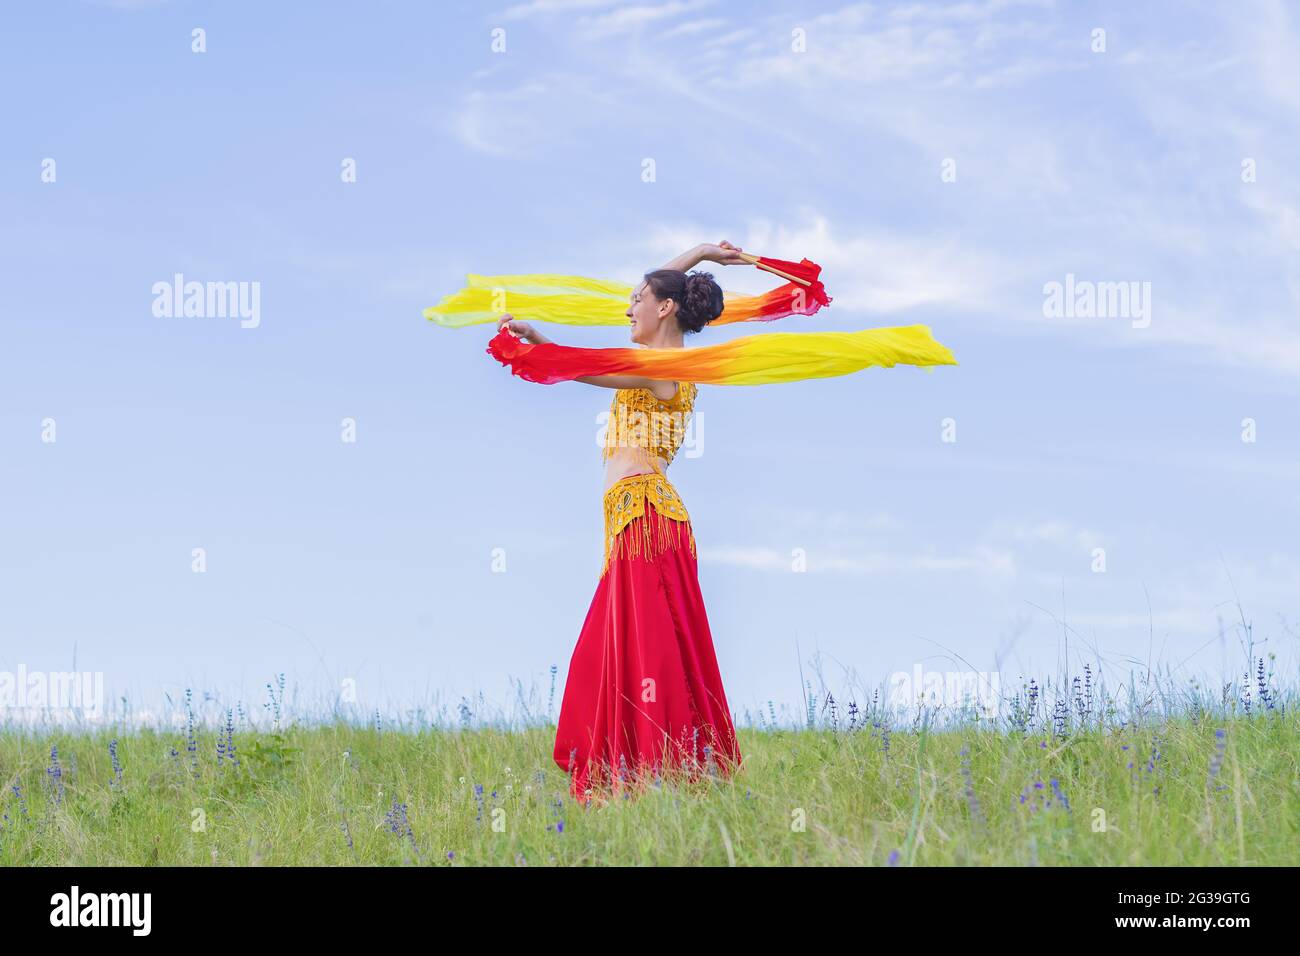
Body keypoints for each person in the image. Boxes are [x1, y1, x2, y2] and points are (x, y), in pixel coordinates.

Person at [496, 241, 748, 806]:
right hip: (636, 523)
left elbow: (591, 369)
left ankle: (658, 779)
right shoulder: (666, 354)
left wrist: (541, 346)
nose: (627, 307)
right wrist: (702, 252)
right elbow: (662, 285)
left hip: (647, 521)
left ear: (663, 310)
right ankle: (650, 787)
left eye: (637, 300)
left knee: (641, 654)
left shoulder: (662, 369)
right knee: (619, 652)